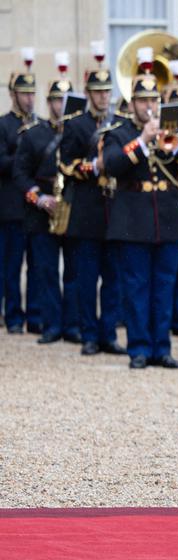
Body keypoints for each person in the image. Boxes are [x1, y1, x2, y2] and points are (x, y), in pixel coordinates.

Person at [103, 59, 178, 369]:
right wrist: (143, 141)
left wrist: (174, 149)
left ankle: (162, 348)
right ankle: (139, 348)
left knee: (164, 286)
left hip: (167, 219)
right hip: (133, 219)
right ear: (132, 103)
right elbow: (114, 166)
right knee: (136, 287)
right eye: (143, 100)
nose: (148, 106)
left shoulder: (174, 131)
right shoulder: (119, 133)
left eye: (153, 100)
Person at [60, 43, 127, 356]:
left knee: (113, 279)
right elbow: (66, 163)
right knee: (87, 279)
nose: (103, 97)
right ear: (88, 94)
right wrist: (94, 167)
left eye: (106, 91)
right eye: (98, 92)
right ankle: (88, 333)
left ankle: (108, 333)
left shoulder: (121, 124)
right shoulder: (76, 125)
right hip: (87, 209)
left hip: (116, 211)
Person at [13, 55, 81, 344]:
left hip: (73, 208)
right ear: (49, 102)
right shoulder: (33, 135)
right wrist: (37, 198)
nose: (60, 104)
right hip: (42, 210)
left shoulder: (80, 133)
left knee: (76, 273)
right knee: (46, 272)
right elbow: (20, 173)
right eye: (56, 100)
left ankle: (73, 325)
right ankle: (51, 325)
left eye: (66, 99)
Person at [0, 50, 37, 334]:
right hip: (10, 204)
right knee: (10, 266)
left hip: (32, 205)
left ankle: (35, 316)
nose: (29, 99)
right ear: (14, 95)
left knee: (36, 266)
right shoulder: (4, 124)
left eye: (31, 94)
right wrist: (22, 156)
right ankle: (13, 316)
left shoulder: (37, 125)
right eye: (24, 94)